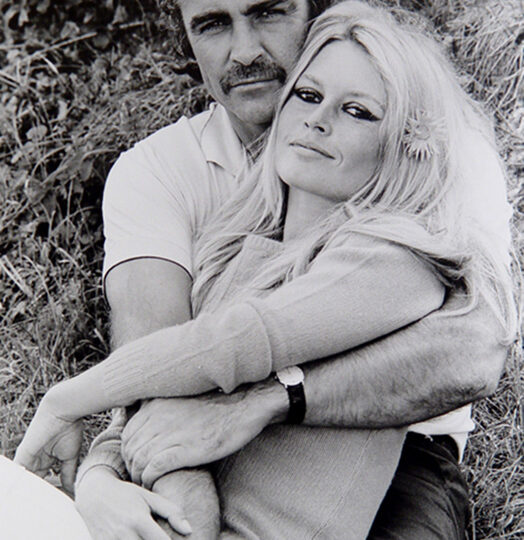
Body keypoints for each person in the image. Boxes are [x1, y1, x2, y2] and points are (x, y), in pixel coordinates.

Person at [14, 2, 517, 539]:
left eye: (268, 12)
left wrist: (70, 399)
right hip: (199, 474)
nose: (245, 50)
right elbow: (164, 380)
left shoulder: (406, 231)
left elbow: (476, 348)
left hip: (406, 448)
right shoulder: (223, 228)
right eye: (213, 24)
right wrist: (100, 476)